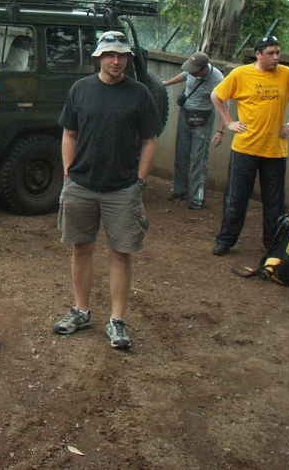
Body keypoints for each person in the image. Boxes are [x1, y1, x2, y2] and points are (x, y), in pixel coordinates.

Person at [52, 32, 162, 350]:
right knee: (81, 248)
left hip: (123, 188)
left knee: (120, 253)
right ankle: (81, 311)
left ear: (128, 58)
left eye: (122, 55)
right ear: (99, 57)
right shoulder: (80, 89)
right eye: (110, 55)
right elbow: (69, 133)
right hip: (81, 185)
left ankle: (116, 320)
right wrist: (68, 172)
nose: (116, 61)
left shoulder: (139, 93)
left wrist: (139, 180)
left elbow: (150, 140)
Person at [210, 34, 289, 256]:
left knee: (274, 201)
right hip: (245, 148)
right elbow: (217, 96)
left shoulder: (287, 74)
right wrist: (229, 122)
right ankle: (225, 240)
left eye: (278, 52)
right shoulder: (241, 74)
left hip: (275, 150)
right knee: (236, 198)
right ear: (258, 54)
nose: (276, 57)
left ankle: (272, 243)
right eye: (271, 53)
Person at [163, 51, 225, 209]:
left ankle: (197, 197)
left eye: (193, 70)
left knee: (199, 157)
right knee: (181, 154)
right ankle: (180, 190)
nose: (190, 72)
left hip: (203, 118)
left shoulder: (218, 79)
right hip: (185, 113)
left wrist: (220, 131)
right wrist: (165, 83)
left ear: (203, 69)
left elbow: (224, 106)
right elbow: (184, 75)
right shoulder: (191, 71)